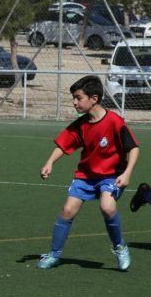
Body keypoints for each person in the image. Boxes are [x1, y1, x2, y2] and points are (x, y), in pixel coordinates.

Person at [36, 75, 139, 271]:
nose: (74, 102)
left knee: (107, 207)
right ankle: (54, 255)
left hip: (111, 175)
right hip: (86, 176)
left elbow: (133, 148)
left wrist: (127, 174)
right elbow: (64, 144)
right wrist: (49, 162)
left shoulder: (115, 122)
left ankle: (120, 247)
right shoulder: (81, 124)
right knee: (67, 211)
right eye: (73, 98)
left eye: (78, 98)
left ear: (94, 98)